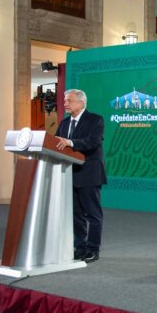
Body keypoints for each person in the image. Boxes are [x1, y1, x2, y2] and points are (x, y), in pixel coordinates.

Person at [54, 89, 107, 263]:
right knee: (76, 215)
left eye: (68, 101)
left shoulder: (95, 120)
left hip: (89, 174)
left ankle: (92, 249)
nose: (65, 104)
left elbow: (92, 142)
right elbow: (55, 143)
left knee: (93, 214)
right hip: (70, 174)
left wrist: (70, 142)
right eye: (64, 101)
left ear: (81, 103)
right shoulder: (64, 123)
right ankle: (80, 247)